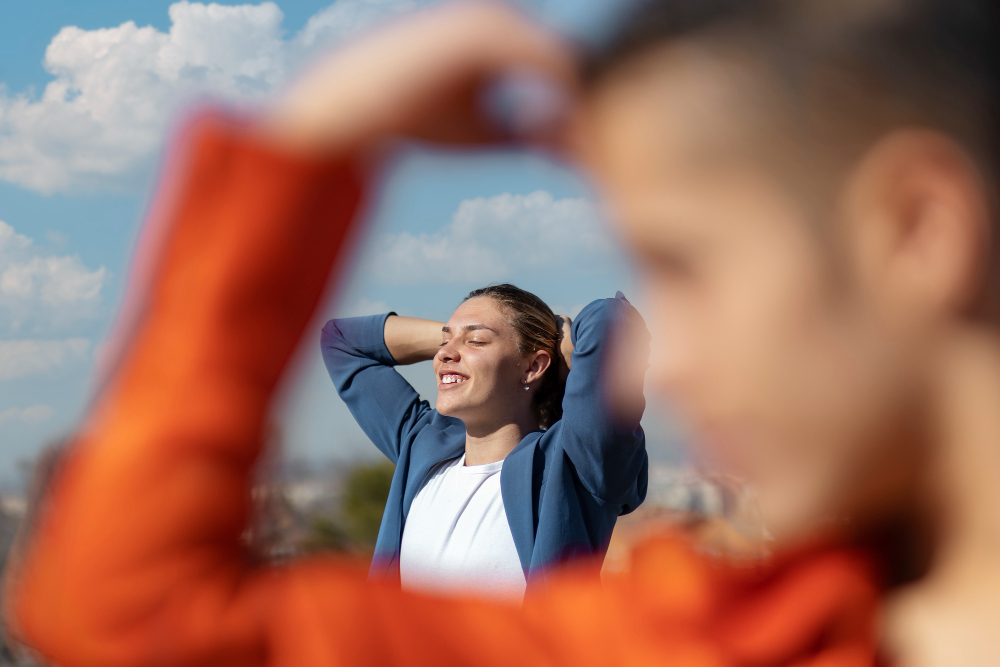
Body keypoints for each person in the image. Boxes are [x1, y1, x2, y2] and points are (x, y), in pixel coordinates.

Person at [6, 0, 1000, 665]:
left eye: (688, 264)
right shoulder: (720, 634)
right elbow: (118, 607)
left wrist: (551, 333)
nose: (679, 366)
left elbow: (613, 325)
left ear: (918, 229)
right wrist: (316, 137)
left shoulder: (580, 479)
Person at [321, 284, 648, 600]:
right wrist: (458, 338)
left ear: (534, 366)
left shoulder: (573, 466)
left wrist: (564, 346)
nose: (445, 354)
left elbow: (610, 323)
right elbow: (341, 341)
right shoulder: (422, 444)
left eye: (477, 340)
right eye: (443, 343)